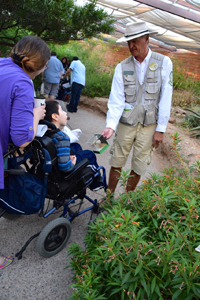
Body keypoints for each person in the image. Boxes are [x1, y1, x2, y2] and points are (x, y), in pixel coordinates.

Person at [102, 21, 173, 194]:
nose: (131, 45)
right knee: (117, 161)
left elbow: (166, 97)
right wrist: (111, 125)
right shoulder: (122, 67)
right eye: (128, 42)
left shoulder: (164, 63)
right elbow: (116, 99)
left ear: (146, 39)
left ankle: (127, 199)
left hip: (149, 124)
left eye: (135, 41)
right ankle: (109, 198)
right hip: (127, 122)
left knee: (139, 164)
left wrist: (160, 129)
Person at [0, 35, 51, 267]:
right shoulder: (23, 82)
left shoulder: (2, 64)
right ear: (41, 67)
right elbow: (21, 139)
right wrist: (35, 115)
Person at [44, 100, 104, 190]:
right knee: (89, 154)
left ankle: (82, 168)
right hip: (64, 170)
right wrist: (72, 163)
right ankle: (96, 184)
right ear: (55, 116)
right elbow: (65, 167)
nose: (65, 113)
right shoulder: (62, 138)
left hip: (53, 164)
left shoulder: (45, 132)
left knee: (76, 146)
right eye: (62, 110)